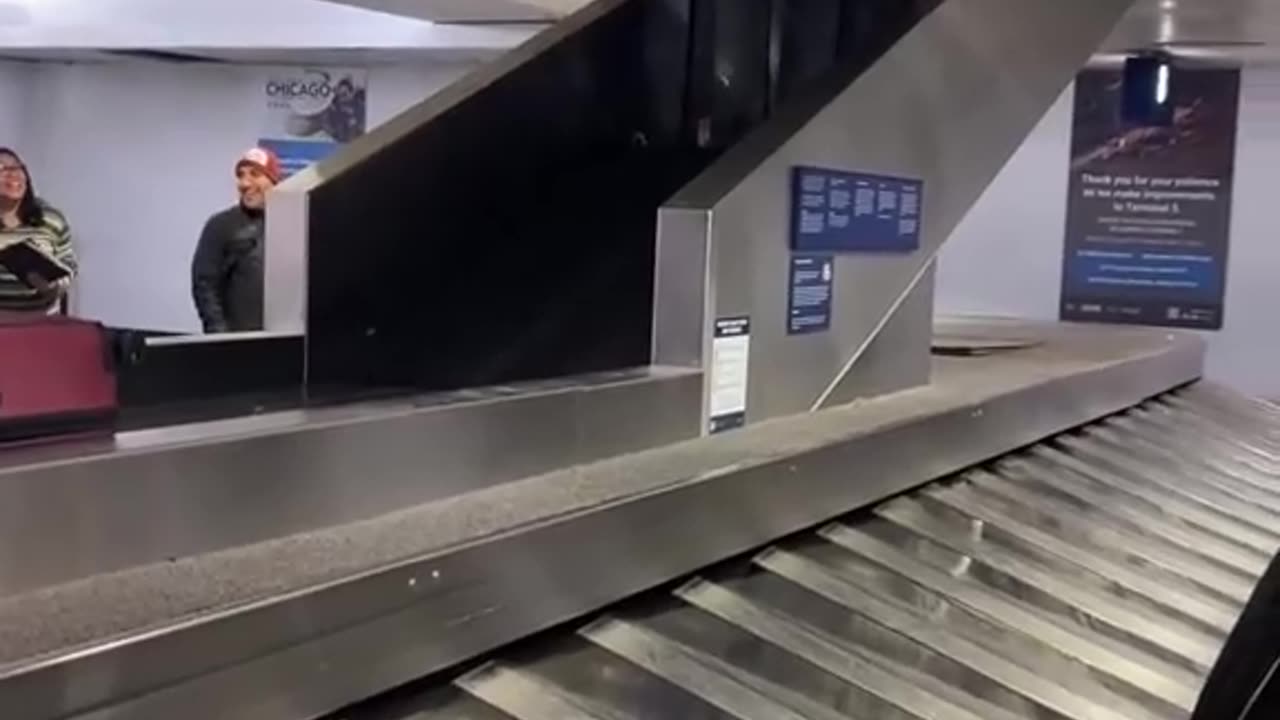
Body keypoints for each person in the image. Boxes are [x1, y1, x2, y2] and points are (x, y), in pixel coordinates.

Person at [191, 147, 281, 333]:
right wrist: (220, 335)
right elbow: (204, 285)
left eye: (254, 174)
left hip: (283, 344)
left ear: (273, 181)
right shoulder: (221, 225)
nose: (245, 183)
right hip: (236, 343)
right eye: (241, 176)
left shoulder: (291, 224)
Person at [0, 147, 75, 314]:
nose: (12, 174)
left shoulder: (50, 219)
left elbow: (69, 265)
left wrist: (52, 286)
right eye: (1, 169)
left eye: (17, 167)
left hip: (40, 321)